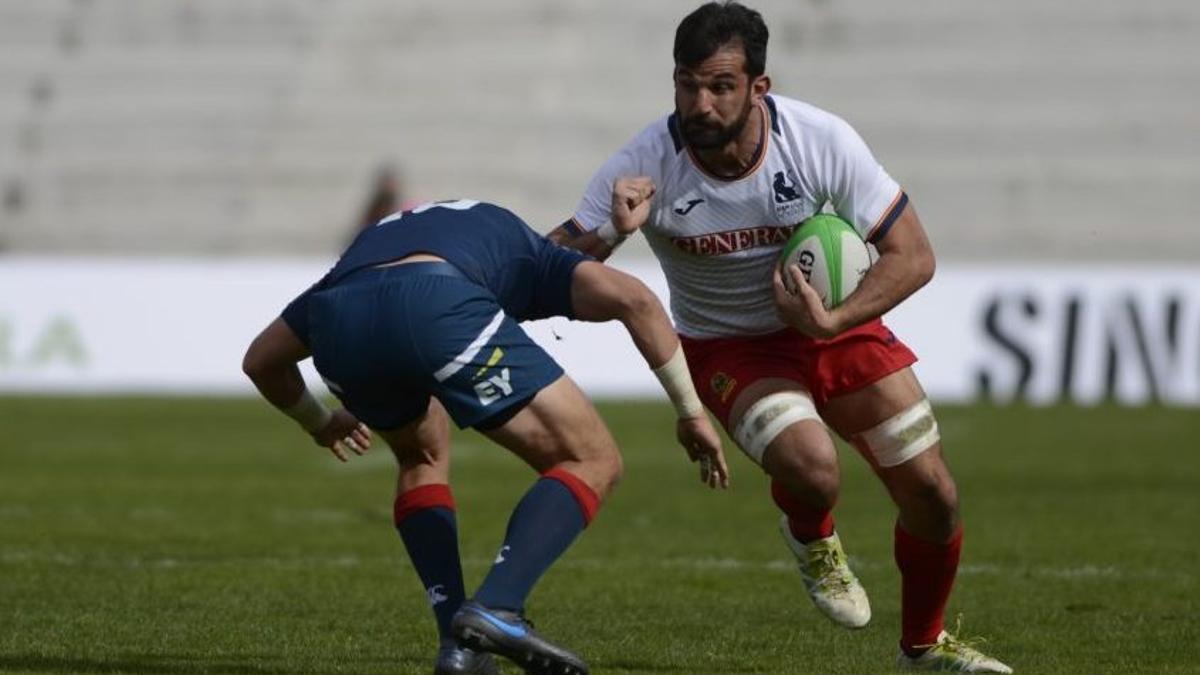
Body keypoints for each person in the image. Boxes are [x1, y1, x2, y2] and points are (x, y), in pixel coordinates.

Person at [548, 2, 1011, 672]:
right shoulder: (645, 162)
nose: (698, 103)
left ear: (758, 87)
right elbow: (553, 263)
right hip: (730, 344)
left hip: (836, 327)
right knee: (814, 469)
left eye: (719, 86)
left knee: (934, 493)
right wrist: (615, 232)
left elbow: (913, 255)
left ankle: (923, 647)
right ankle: (811, 535)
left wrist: (832, 320)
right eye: (685, 83)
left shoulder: (819, 139)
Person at [243, 193, 729, 675]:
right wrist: (691, 412)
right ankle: (498, 605)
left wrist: (322, 422)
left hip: (340, 320)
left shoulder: (398, 243)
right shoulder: (529, 254)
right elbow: (636, 300)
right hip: (437, 302)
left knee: (420, 459)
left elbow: (261, 360)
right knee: (591, 460)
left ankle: (459, 646)